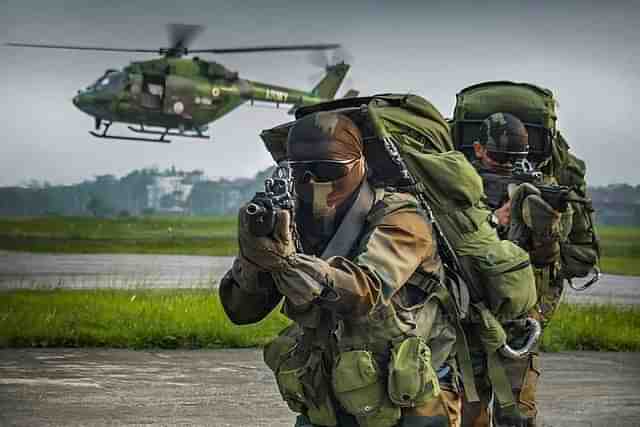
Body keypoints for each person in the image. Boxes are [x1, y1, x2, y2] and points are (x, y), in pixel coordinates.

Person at [220, 111, 462, 427]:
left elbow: (365, 291)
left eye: (327, 170)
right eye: (300, 172)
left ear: (360, 164)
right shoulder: (294, 221)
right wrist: (254, 262)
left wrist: (291, 263)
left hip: (409, 400)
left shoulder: (401, 216)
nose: (313, 182)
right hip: (332, 399)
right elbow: (241, 312)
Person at [464, 112, 566, 427]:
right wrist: (495, 219)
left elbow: (551, 262)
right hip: (471, 319)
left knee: (515, 417)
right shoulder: (461, 188)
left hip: (518, 320)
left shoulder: (538, 189)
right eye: (499, 156)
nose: (506, 164)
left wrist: (543, 219)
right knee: (472, 415)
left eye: (514, 158)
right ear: (478, 149)